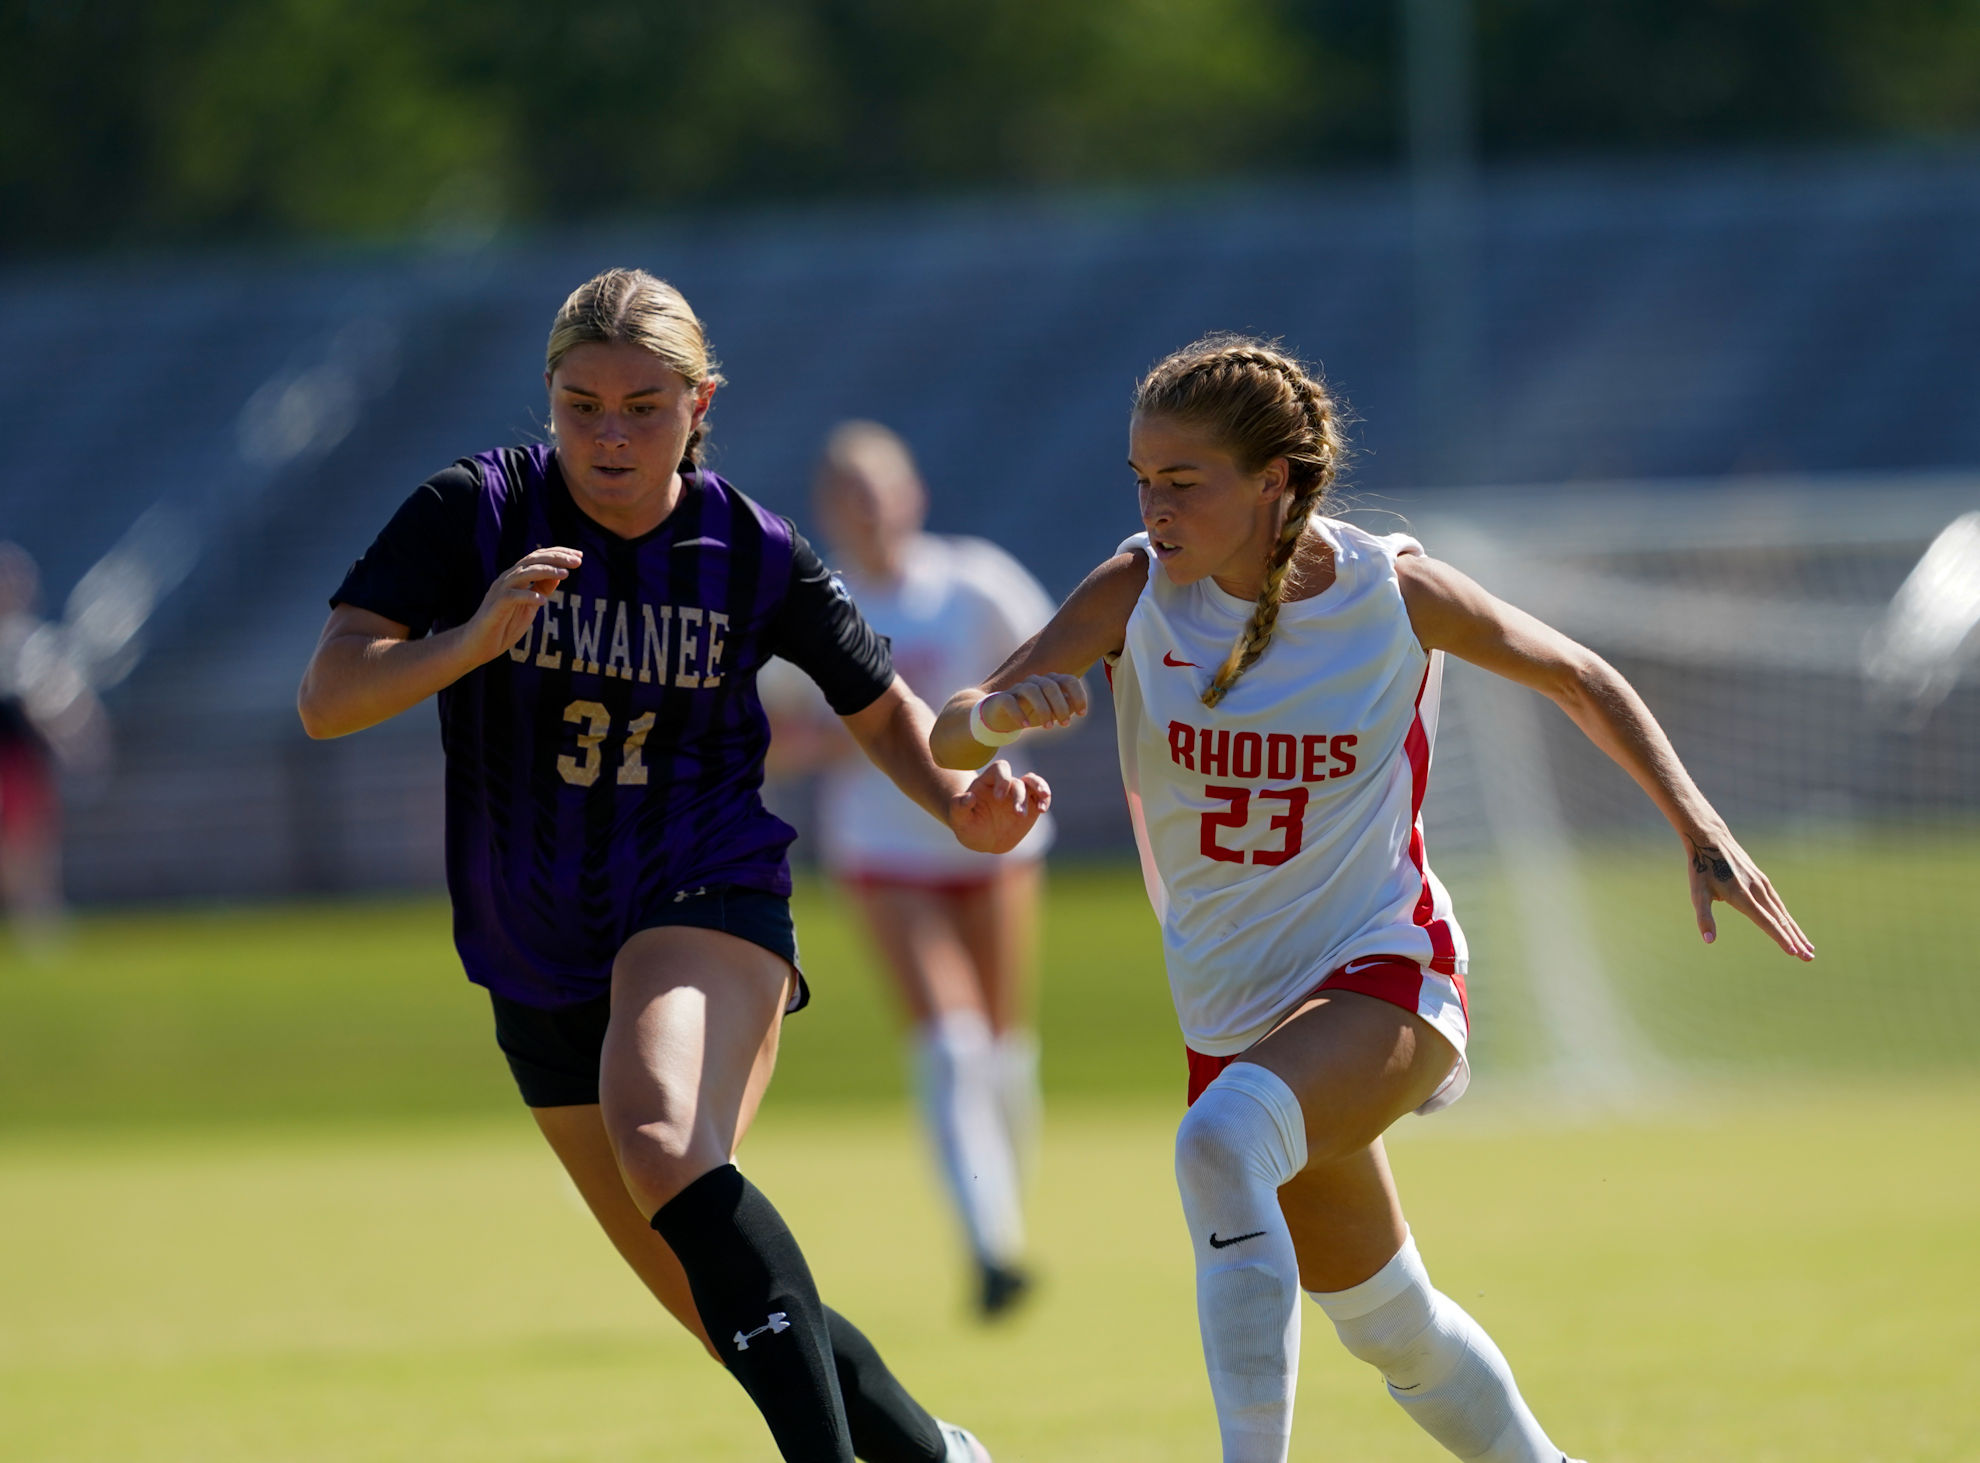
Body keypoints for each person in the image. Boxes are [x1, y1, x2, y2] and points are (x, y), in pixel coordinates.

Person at [931, 335, 1814, 1463]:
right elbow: (950, 731)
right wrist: (1000, 720)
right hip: (1236, 1013)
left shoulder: (1390, 590)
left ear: (1275, 481)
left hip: (1389, 968)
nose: (1155, 508)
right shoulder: (1134, 589)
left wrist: (1701, 827)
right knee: (1391, 1323)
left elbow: (1578, 675)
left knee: (1218, 1142)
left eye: (1183, 481)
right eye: (1142, 479)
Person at [297, 268, 1047, 1463]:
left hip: (704, 890)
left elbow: (876, 704)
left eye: (644, 407)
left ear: (701, 403)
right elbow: (329, 695)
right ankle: (942, 1455)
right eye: (582, 405)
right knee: (720, 1302)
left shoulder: (752, 549)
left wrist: (962, 805)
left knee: (661, 1139)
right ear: (548, 396)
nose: (610, 435)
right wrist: (471, 638)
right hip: (532, 944)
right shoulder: (473, 511)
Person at [767, 421, 1055, 1318]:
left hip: (994, 842)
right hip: (885, 853)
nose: (869, 509)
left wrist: (990, 724)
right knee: (949, 1042)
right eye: (849, 494)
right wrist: (850, 739)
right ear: (828, 510)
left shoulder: (974, 583)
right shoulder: (819, 603)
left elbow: (1063, 683)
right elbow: (766, 734)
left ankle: (1007, 1219)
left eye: (881, 489)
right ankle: (988, 1247)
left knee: (1003, 1050)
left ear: (912, 494)